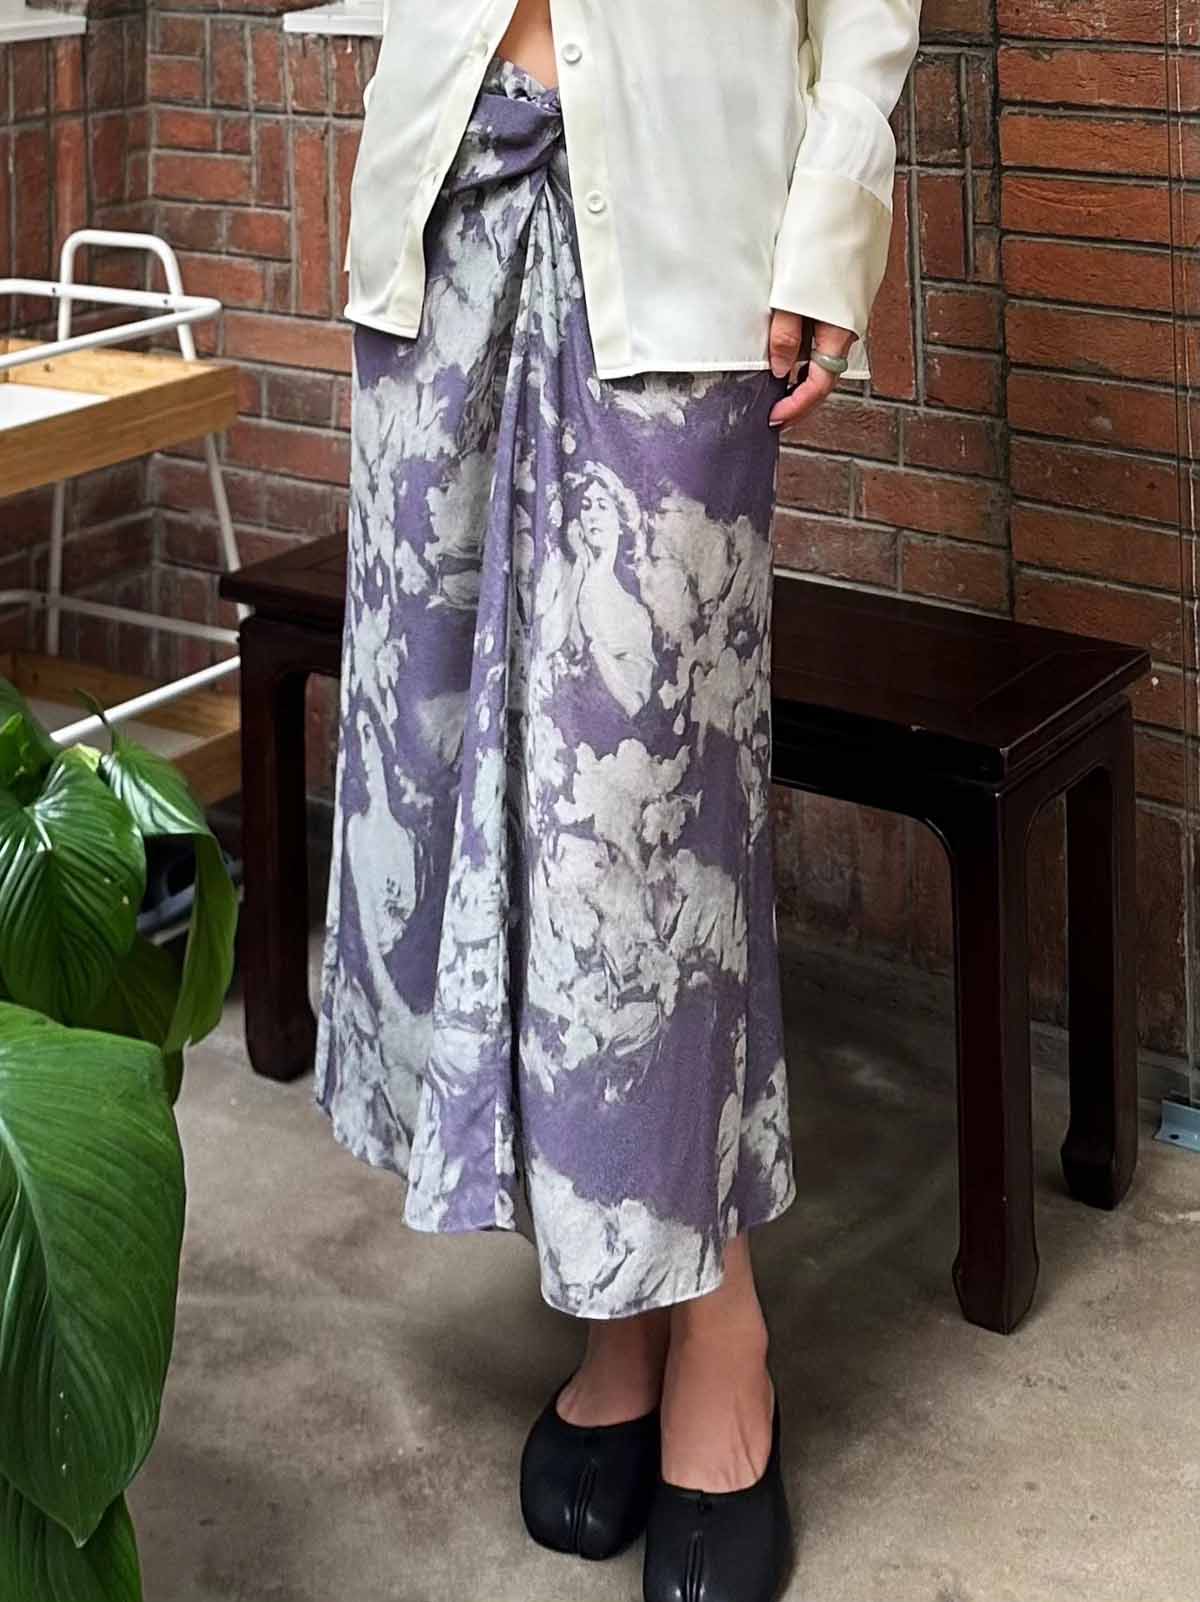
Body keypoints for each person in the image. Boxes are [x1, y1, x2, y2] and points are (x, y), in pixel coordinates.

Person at [315, 2, 922, 1598]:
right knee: (457, 779)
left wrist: (832, 213)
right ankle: (618, 1310)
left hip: (686, 222)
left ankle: (717, 1314)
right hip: (447, 205)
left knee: (644, 830)